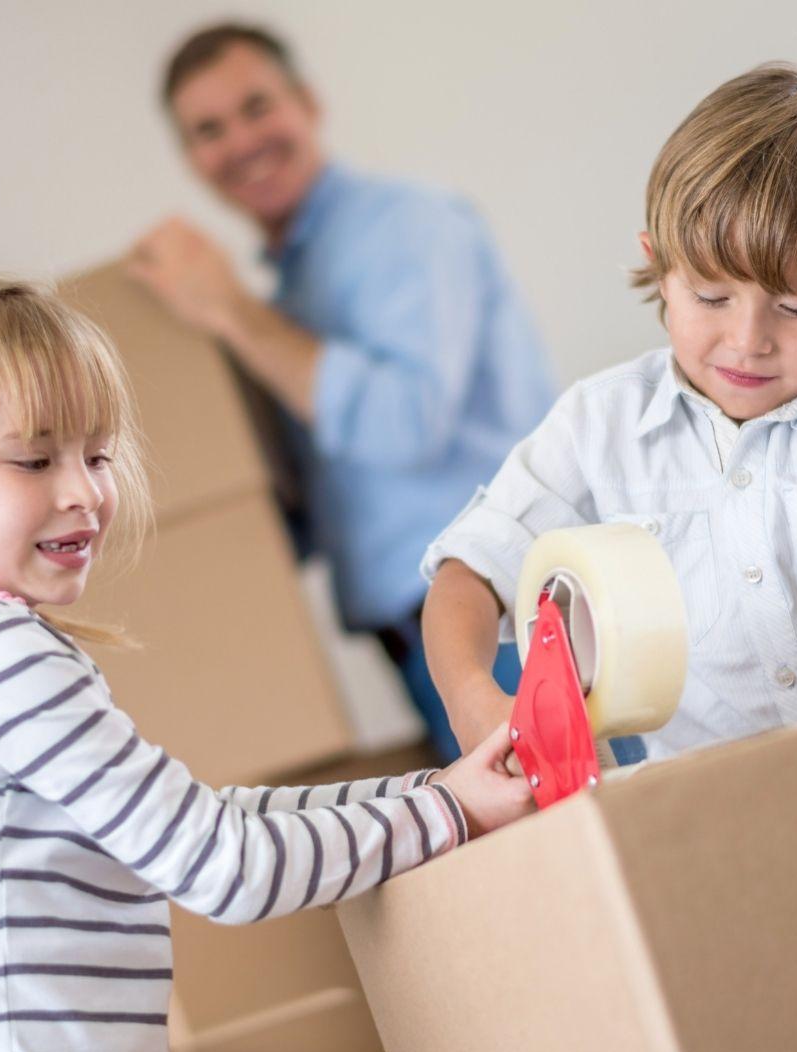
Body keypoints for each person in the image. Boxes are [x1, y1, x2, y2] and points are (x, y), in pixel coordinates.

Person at [0, 274, 530, 1052]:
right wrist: (449, 815)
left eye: (97, 455)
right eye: (32, 460)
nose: (85, 492)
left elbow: (200, 821)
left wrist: (430, 792)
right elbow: (223, 867)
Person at [421, 64, 797, 763]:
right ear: (661, 268)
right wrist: (473, 698)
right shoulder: (597, 425)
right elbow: (469, 571)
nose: (748, 339)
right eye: (710, 296)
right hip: (722, 809)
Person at [127, 23, 555, 763]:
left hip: (503, 619)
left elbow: (402, 425)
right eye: (209, 130)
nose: (240, 141)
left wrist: (230, 309)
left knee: (591, 851)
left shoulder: (407, 228)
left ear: (309, 103)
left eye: (257, 107)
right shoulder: (293, 293)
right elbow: (323, 512)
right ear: (192, 159)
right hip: (417, 643)